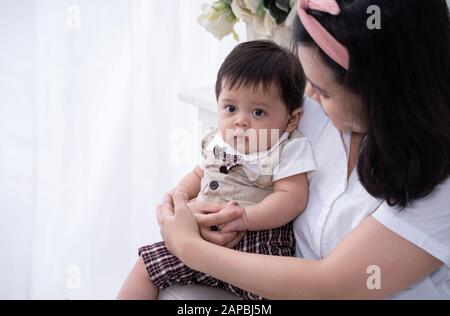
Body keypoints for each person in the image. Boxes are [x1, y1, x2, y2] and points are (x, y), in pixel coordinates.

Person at [147, 0, 450, 300]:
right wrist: (192, 214)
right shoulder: (308, 112)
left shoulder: (439, 182)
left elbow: (331, 284)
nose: (308, 96)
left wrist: (189, 248)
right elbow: (224, 167)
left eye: (324, 90)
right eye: (309, 80)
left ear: (381, 91)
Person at [117, 40, 317, 300]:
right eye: (230, 108)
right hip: (203, 237)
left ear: (291, 119)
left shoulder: (287, 148)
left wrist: (246, 218)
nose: (240, 120)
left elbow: (292, 197)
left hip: (258, 245)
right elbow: (197, 175)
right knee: (147, 264)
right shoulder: (216, 141)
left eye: (258, 112)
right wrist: (180, 195)